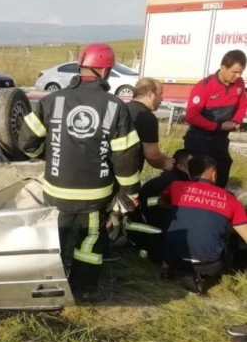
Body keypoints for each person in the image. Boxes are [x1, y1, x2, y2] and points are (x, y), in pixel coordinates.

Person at [18, 43, 141, 300]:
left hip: (55, 191)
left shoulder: (51, 100)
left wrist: (44, 154)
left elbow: (26, 142)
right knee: (90, 241)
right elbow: (125, 156)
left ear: (80, 67)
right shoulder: (115, 107)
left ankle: (50, 288)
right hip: (94, 195)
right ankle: (83, 289)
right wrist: (130, 191)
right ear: (106, 71)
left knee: (55, 238)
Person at [159, 155, 247, 293]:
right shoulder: (230, 199)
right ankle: (201, 276)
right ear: (214, 175)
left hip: (172, 256)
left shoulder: (176, 186)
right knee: (233, 241)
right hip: (209, 264)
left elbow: (162, 203)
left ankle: (167, 267)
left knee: (172, 217)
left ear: (190, 172)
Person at [183, 49, 247, 188]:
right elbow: (191, 116)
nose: (238, 75)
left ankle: (217, 201)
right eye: (234, 72)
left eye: (241, 72)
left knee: (223, 167)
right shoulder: (204, 86)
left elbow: (242, 105)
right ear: (223, 67)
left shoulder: (239, 83)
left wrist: (236, 121)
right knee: (204, 173)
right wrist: (216, 126)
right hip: (200, 138)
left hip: (220, 139)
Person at [127, 149, 190, 263]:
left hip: (142, 230)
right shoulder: (174, 184)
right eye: (193, 164)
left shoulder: (169, 179)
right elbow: (158, 214)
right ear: (181, 166)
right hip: (148, 234)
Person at [127, 77, 173, 172]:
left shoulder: (122, 108)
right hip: (127, 174)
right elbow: (152, 155)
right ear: (150, 94)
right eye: (160, 94)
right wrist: (166, 164)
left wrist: (160, 155)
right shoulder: (147, 118)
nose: (161, 99)